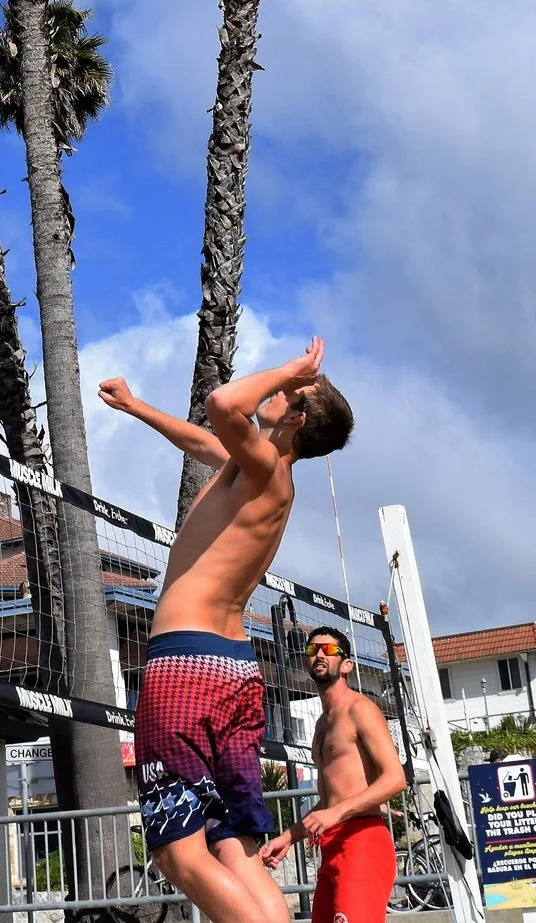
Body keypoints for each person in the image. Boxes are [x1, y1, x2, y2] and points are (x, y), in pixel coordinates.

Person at [98, 338, 351, 923]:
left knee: (176, 854)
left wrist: (293, 371)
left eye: (288, 393)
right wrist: (138, 408)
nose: (277, 387)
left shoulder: (267, 466)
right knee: (229, 843)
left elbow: (220, 403)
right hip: (234, 670)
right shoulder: (257, 471)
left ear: (296, 417)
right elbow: (206, 438)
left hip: (186, 666)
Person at [258, 627, 406, 923]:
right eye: (313, 650)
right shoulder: (321, 724)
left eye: (328, 649)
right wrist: (288, 837)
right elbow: (328, 805)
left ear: (347, 664)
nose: (320, 654)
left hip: (362, 840)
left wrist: (336, 812)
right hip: (332, 846)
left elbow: (395, 778)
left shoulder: (361, 709)